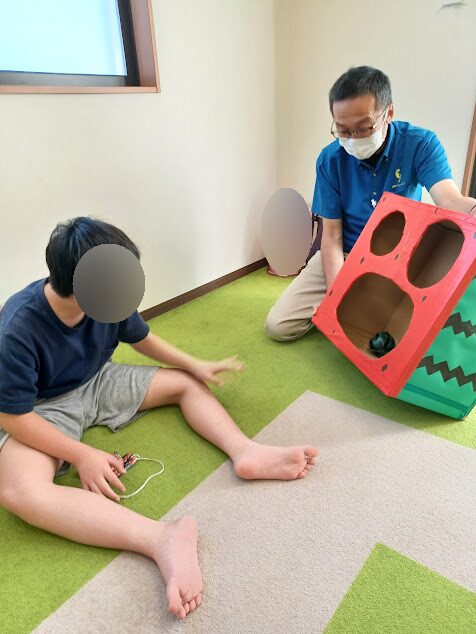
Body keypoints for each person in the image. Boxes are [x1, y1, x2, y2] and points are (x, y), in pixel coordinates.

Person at [0, 217, 318, 621]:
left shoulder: (106, 297)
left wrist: (194, 364)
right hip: (44, 406)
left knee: (185, 384)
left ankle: (246, 452)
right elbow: (13, 417)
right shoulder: (17, 328)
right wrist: (81, 454)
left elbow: (141, 338)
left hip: (97, 380)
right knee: (19, 493)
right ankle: (161, 538)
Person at [265, 66, 476, 341]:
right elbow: (331, 236)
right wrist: (336, 295)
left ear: (389, 113)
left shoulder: (420, 144)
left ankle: (368, 308)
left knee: (409, 333)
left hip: (398, 258)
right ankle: (344, 306)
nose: (352, 139)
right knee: (278, 326)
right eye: (342, 130)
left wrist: (472, 209)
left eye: (363, 128)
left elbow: (449, 200)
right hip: (346, 252)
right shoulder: (330, 160)